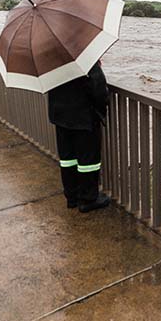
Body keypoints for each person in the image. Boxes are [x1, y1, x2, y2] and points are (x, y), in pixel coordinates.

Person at [48, 60, 110, 213]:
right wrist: (101, 111)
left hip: (60, 116)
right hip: (83, 117)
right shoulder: (84, 56)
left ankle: (72, 197)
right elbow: (99, 89)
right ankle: (88, 199)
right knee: (89, 161)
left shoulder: (48, 59)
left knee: (67, 159)